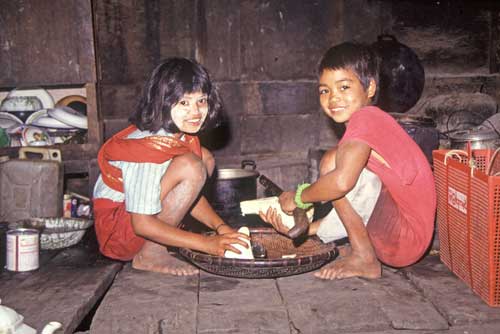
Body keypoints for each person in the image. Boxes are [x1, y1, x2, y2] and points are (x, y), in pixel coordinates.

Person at [260, 42, 436, 280]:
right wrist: (306, 231)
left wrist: (300, 196)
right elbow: (356, 199)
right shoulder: (367, 124)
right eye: (325, 90)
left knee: (333, 164)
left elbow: (342, 183)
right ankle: (361, 249)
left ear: (370, 87)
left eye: (344, 87)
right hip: (397, 241)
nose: (333, 98)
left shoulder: (367, 118)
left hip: (405, 237)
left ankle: (364, 257)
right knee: (337, 161)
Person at [92, 57, 249, 276]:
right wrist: (206, 244)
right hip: (119, 236)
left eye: (201, 101)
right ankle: (151, 254)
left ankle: (162, 243)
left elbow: (186, 195)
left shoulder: (179, 136)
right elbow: (142, 225)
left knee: (204, 158)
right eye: (184, 103)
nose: (195, 112)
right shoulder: (147, 149)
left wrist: (221, 227)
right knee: (191, 166)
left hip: (137, 225)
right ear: (162, 102)